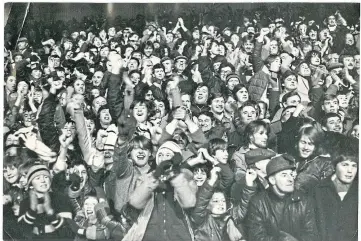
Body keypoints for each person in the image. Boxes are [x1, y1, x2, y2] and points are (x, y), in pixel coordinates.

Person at [245, 154, 319, 241]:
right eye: (284, 175)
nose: (290, 179)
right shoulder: (258, 203)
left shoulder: (304, 201)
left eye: (291, 174)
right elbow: (256, 238)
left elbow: (312, 235)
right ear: (272, 180)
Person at [313, 145, 358, 241]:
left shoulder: (357, 190)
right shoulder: (318, 190)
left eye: (354, 165)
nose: (350, 171)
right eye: (345, 165)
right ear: (334, 166)